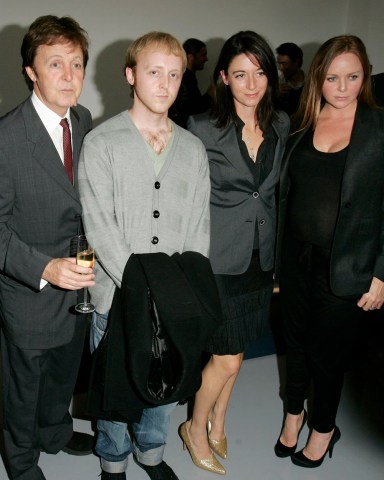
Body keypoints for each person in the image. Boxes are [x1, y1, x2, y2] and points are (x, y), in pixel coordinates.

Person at [78, 32, 211, 480]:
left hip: (173, 300)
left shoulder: (193, 151)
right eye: (154, 72)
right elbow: (98, 227)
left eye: (174, 75)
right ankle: (112, 460)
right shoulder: (102, 143)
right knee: (118, 386)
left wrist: (182, 293)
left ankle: (150, 454)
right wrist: (143, 288)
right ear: (131, 75)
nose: (165, 84)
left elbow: (198, 228)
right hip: (116, 297)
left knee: (165, 386)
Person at [274, 35, 384, 468]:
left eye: (353, 77)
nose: (342, 87)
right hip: (296, 259)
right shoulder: (300, 127)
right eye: (333, 77)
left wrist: (381, 272)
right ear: (318, 78)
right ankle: (292, 414)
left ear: (365, 77)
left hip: (348, 264)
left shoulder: (378, 128)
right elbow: (287, 197)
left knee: (328, 355)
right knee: (295, 346)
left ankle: (324, 428)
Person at [182, 30, 289, 474]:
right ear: (223, 77)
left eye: (260, 72)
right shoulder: (201, 128)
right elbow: (185, 197)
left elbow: (277, 195)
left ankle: (219, 421)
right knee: (223, 356)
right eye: (240, 73)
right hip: (218, 260)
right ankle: (194, 426)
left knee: (239, 352)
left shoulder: (282, 124)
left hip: (260, 260)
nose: (251, 83)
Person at [0, 15, 94, 480]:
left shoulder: (83, 119)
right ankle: (20, 461)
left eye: (76, 63)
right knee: (23, 385)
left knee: (64, 370)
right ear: (30, 71)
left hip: (78, 286)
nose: (69, 75)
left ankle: (54, 431)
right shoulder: (6, 138)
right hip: (30, 289)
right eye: (55, 63)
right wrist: (45, 269)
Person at [169, 38, 212, 127]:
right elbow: (191, 110)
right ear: (190, 57)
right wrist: (210, 95)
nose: (206, 59)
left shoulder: (186, 77)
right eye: (203, 55)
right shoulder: (185, 78)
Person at [276, 42, 305, 116]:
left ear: (296, 62)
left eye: (284, 64)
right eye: (279, 64)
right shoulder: (277, 83)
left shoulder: (311, 84)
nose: (280, 68)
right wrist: (275, 94)